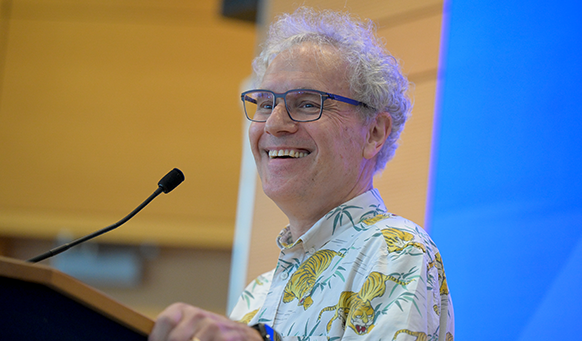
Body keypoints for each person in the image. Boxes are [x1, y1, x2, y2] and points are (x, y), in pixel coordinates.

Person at [150, 7, 454, 341]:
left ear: (374, 133)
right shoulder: (256, 295)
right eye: (265, 104)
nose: (275, 123)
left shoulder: (393, 252)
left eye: (308, 103)